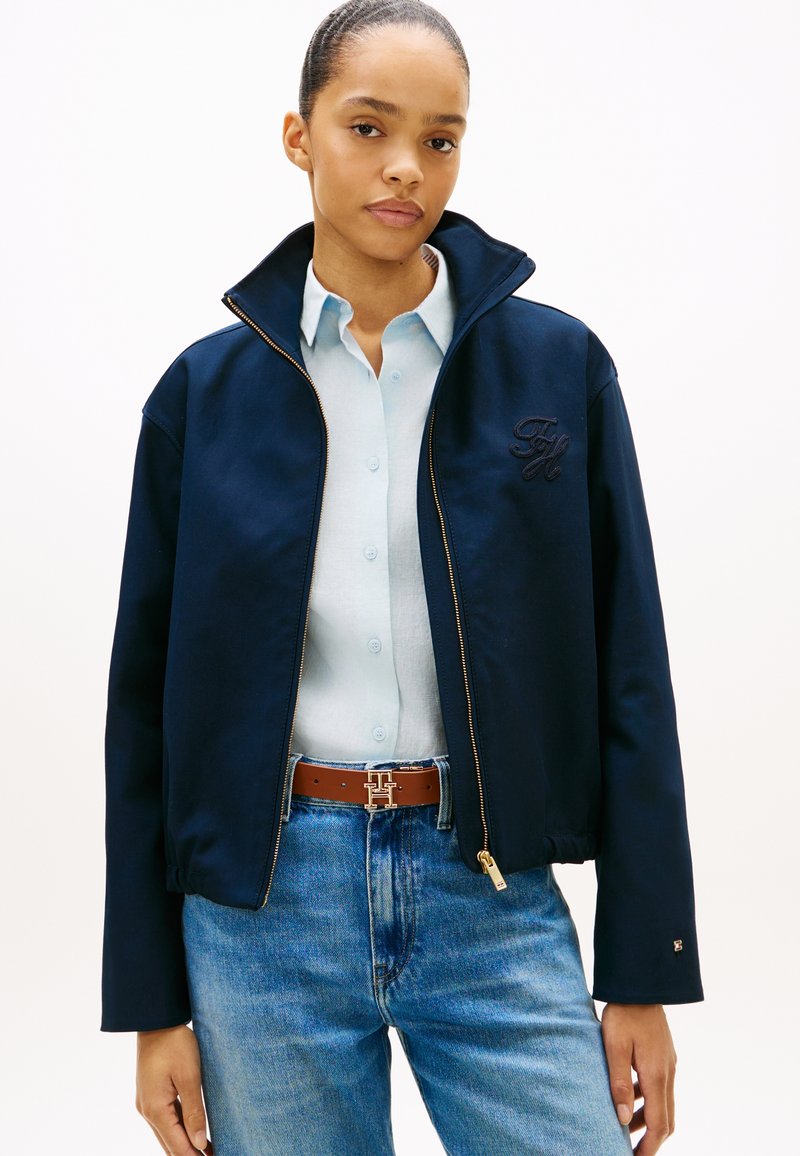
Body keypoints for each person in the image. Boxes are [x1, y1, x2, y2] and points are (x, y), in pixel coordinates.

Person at [100, 1, 704, 1153]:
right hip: (262, 910)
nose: (404, 167)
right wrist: (151, 1004)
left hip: (487, 891)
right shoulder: (202, 398)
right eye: (367, 127)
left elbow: (630, 672)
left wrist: (643, 969)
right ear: (298, 136)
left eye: (439, 138)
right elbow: (143, 715)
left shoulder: (558, 368)